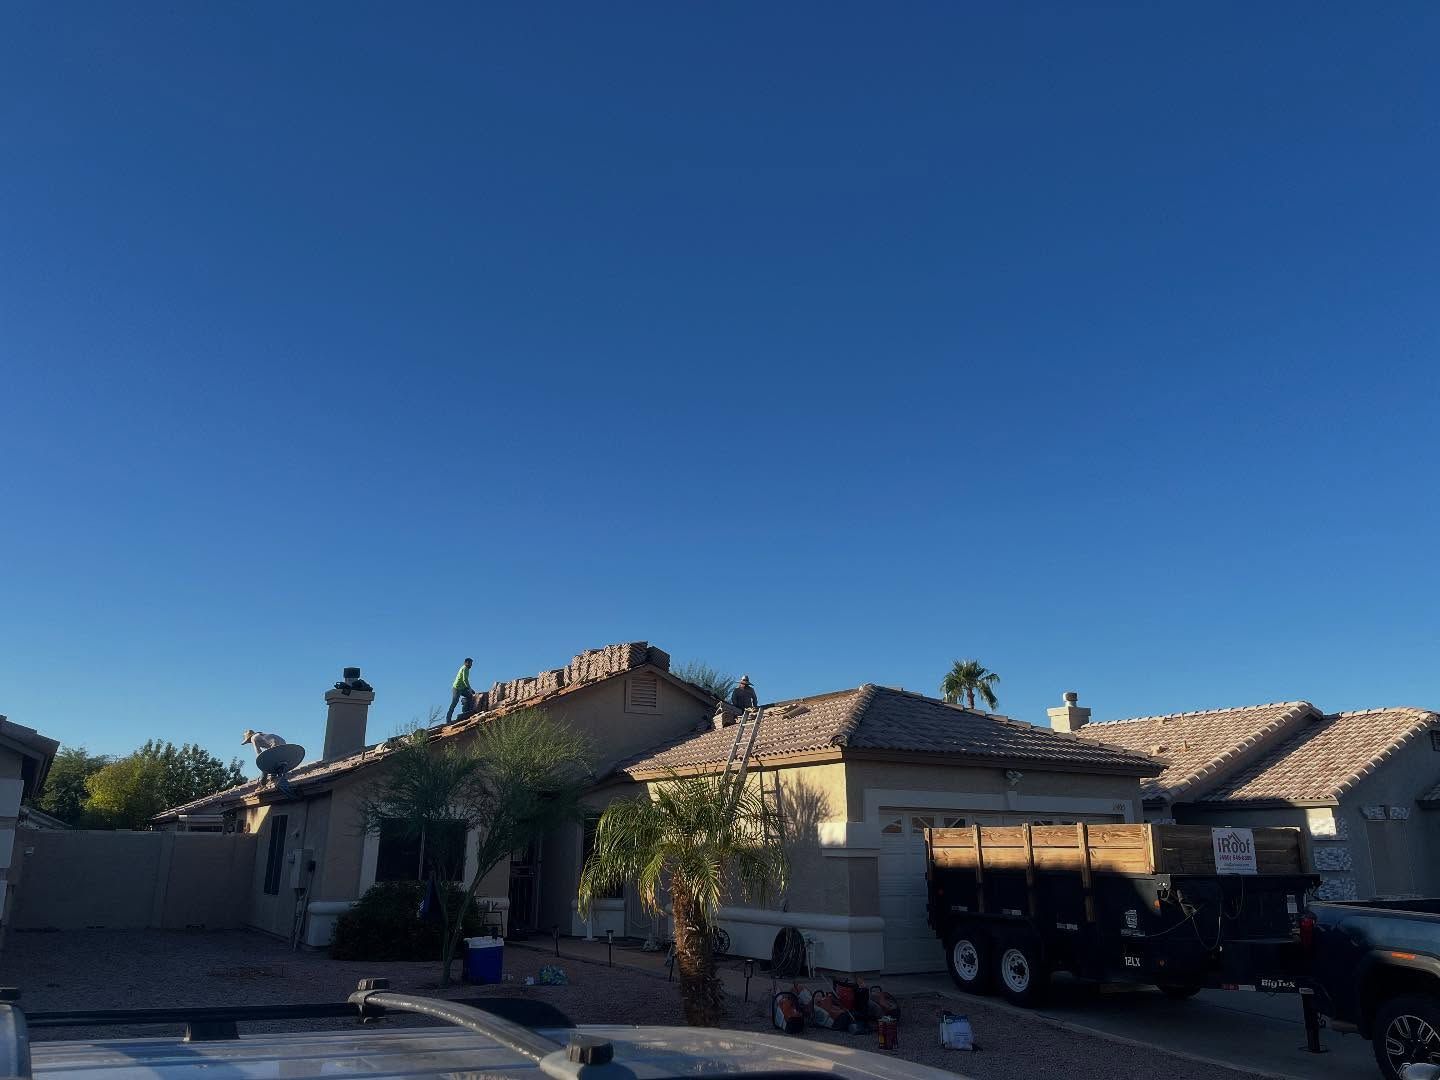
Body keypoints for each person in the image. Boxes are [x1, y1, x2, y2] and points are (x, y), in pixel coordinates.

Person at [446, 657, 476, 721]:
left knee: (470, 696)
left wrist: (470, 689)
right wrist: (469, 688)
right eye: (470, 663)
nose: (471, 665)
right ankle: (448, 719)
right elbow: (465, 680)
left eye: (471, 664)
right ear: (466, 663)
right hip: (457, 688)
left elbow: (464, 681)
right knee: (454, 702)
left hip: (462, 687)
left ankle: (466, 711)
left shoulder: (466, 669)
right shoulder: (465, 668)